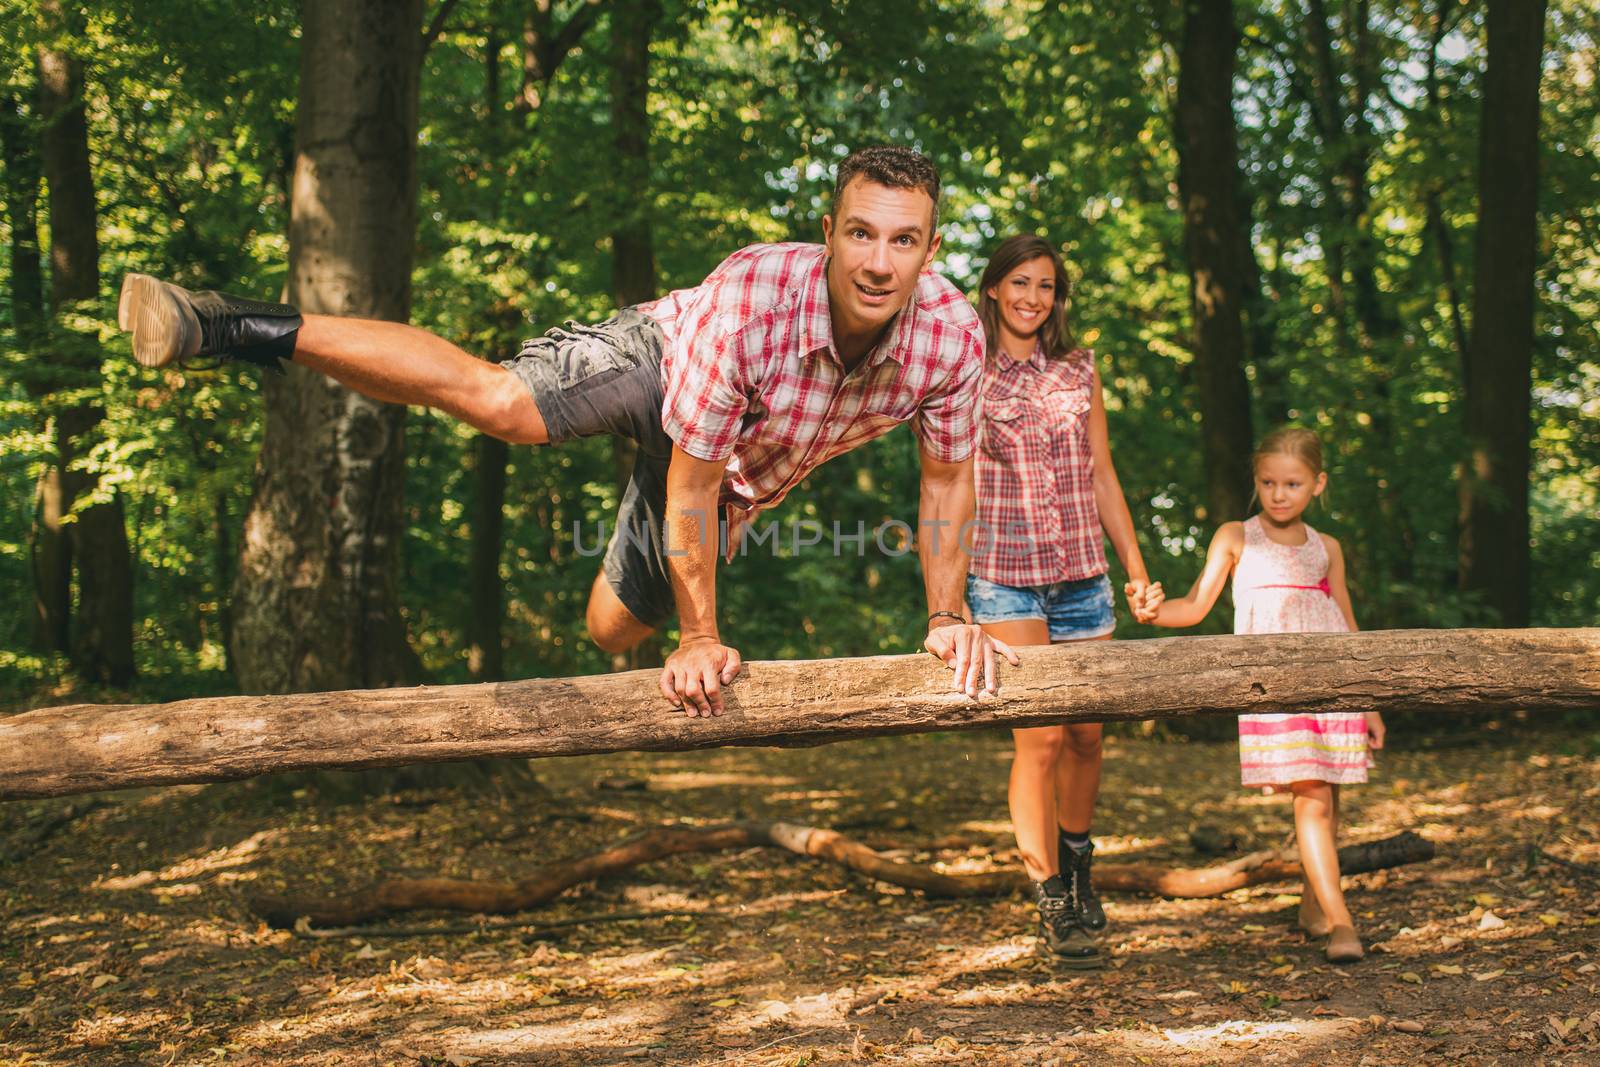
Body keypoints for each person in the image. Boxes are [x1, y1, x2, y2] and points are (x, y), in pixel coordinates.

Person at [116, 145, 1018, 714]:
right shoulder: (752, 302)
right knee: (504, 403)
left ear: (932, 250)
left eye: (904, 241)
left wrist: (948, 614)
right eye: (861, 233)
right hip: (666, 361)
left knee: (609, 630)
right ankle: (227, 323)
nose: (878, 260)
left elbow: (946, 483)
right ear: (828, 231)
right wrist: (702, 637)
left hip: (738, 467)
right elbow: (691, 485)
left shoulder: (950, 338)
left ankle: (648, 574)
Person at [966, 235, 1160, 969]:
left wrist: (1136, 570)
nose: (1032, 297)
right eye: (1019, 282)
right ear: (993, 289)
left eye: (1046, 286)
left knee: (1086, 736)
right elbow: (947, 479)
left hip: (1084, 574)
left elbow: (1103, 472)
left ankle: (1079, 865)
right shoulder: (968, 370)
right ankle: (1049, 895)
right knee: (1039, 739)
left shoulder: (1081, 368)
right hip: (1003, 574)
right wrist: (947, 599)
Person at [1144, 427, 1384, 963]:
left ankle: (1312, 907)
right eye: (1269, 482)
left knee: (1329, 799)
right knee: (1314, 799)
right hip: (1275, 687)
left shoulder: (1329, 549)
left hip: (1334, 684)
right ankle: (1342, 922)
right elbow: (1195, 605)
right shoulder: (1236, 536)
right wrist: (1155, 611)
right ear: (1256, 482)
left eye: (1293, 483)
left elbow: (1346, 621)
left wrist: (1367, 699)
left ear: (1317, 484)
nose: (1279, 493)